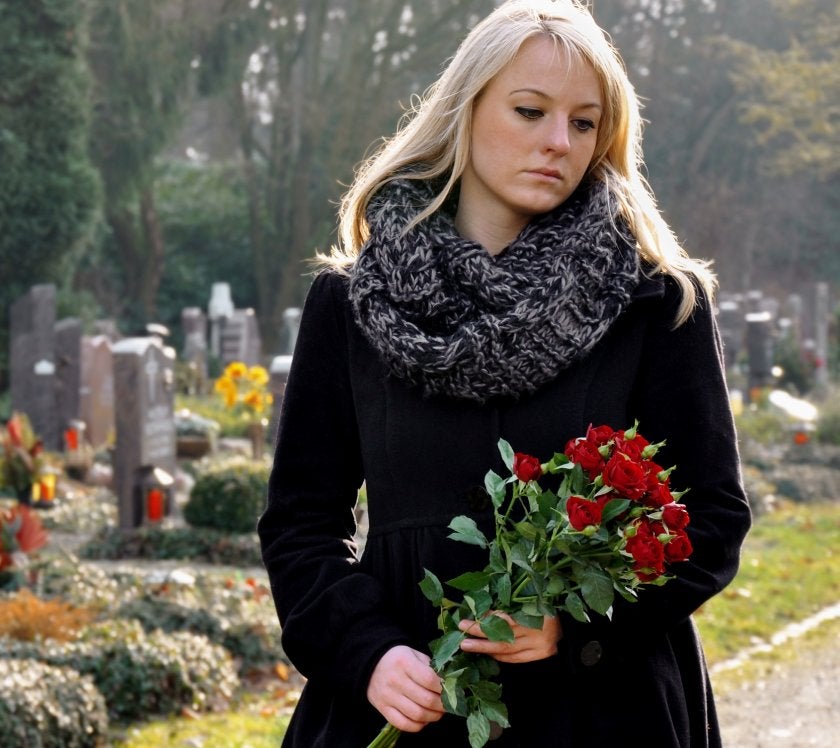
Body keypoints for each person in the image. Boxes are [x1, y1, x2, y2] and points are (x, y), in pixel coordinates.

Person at [257, 1, 752, 746]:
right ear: (465, 110)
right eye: (530, 111)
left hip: (606, 710)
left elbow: (708, 520)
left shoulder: (658, 304)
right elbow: (302, 522)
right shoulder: (351, 303)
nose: (558, 141)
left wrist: (578, 622)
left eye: (583, 123)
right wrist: (369, 654)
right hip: (406, 705)